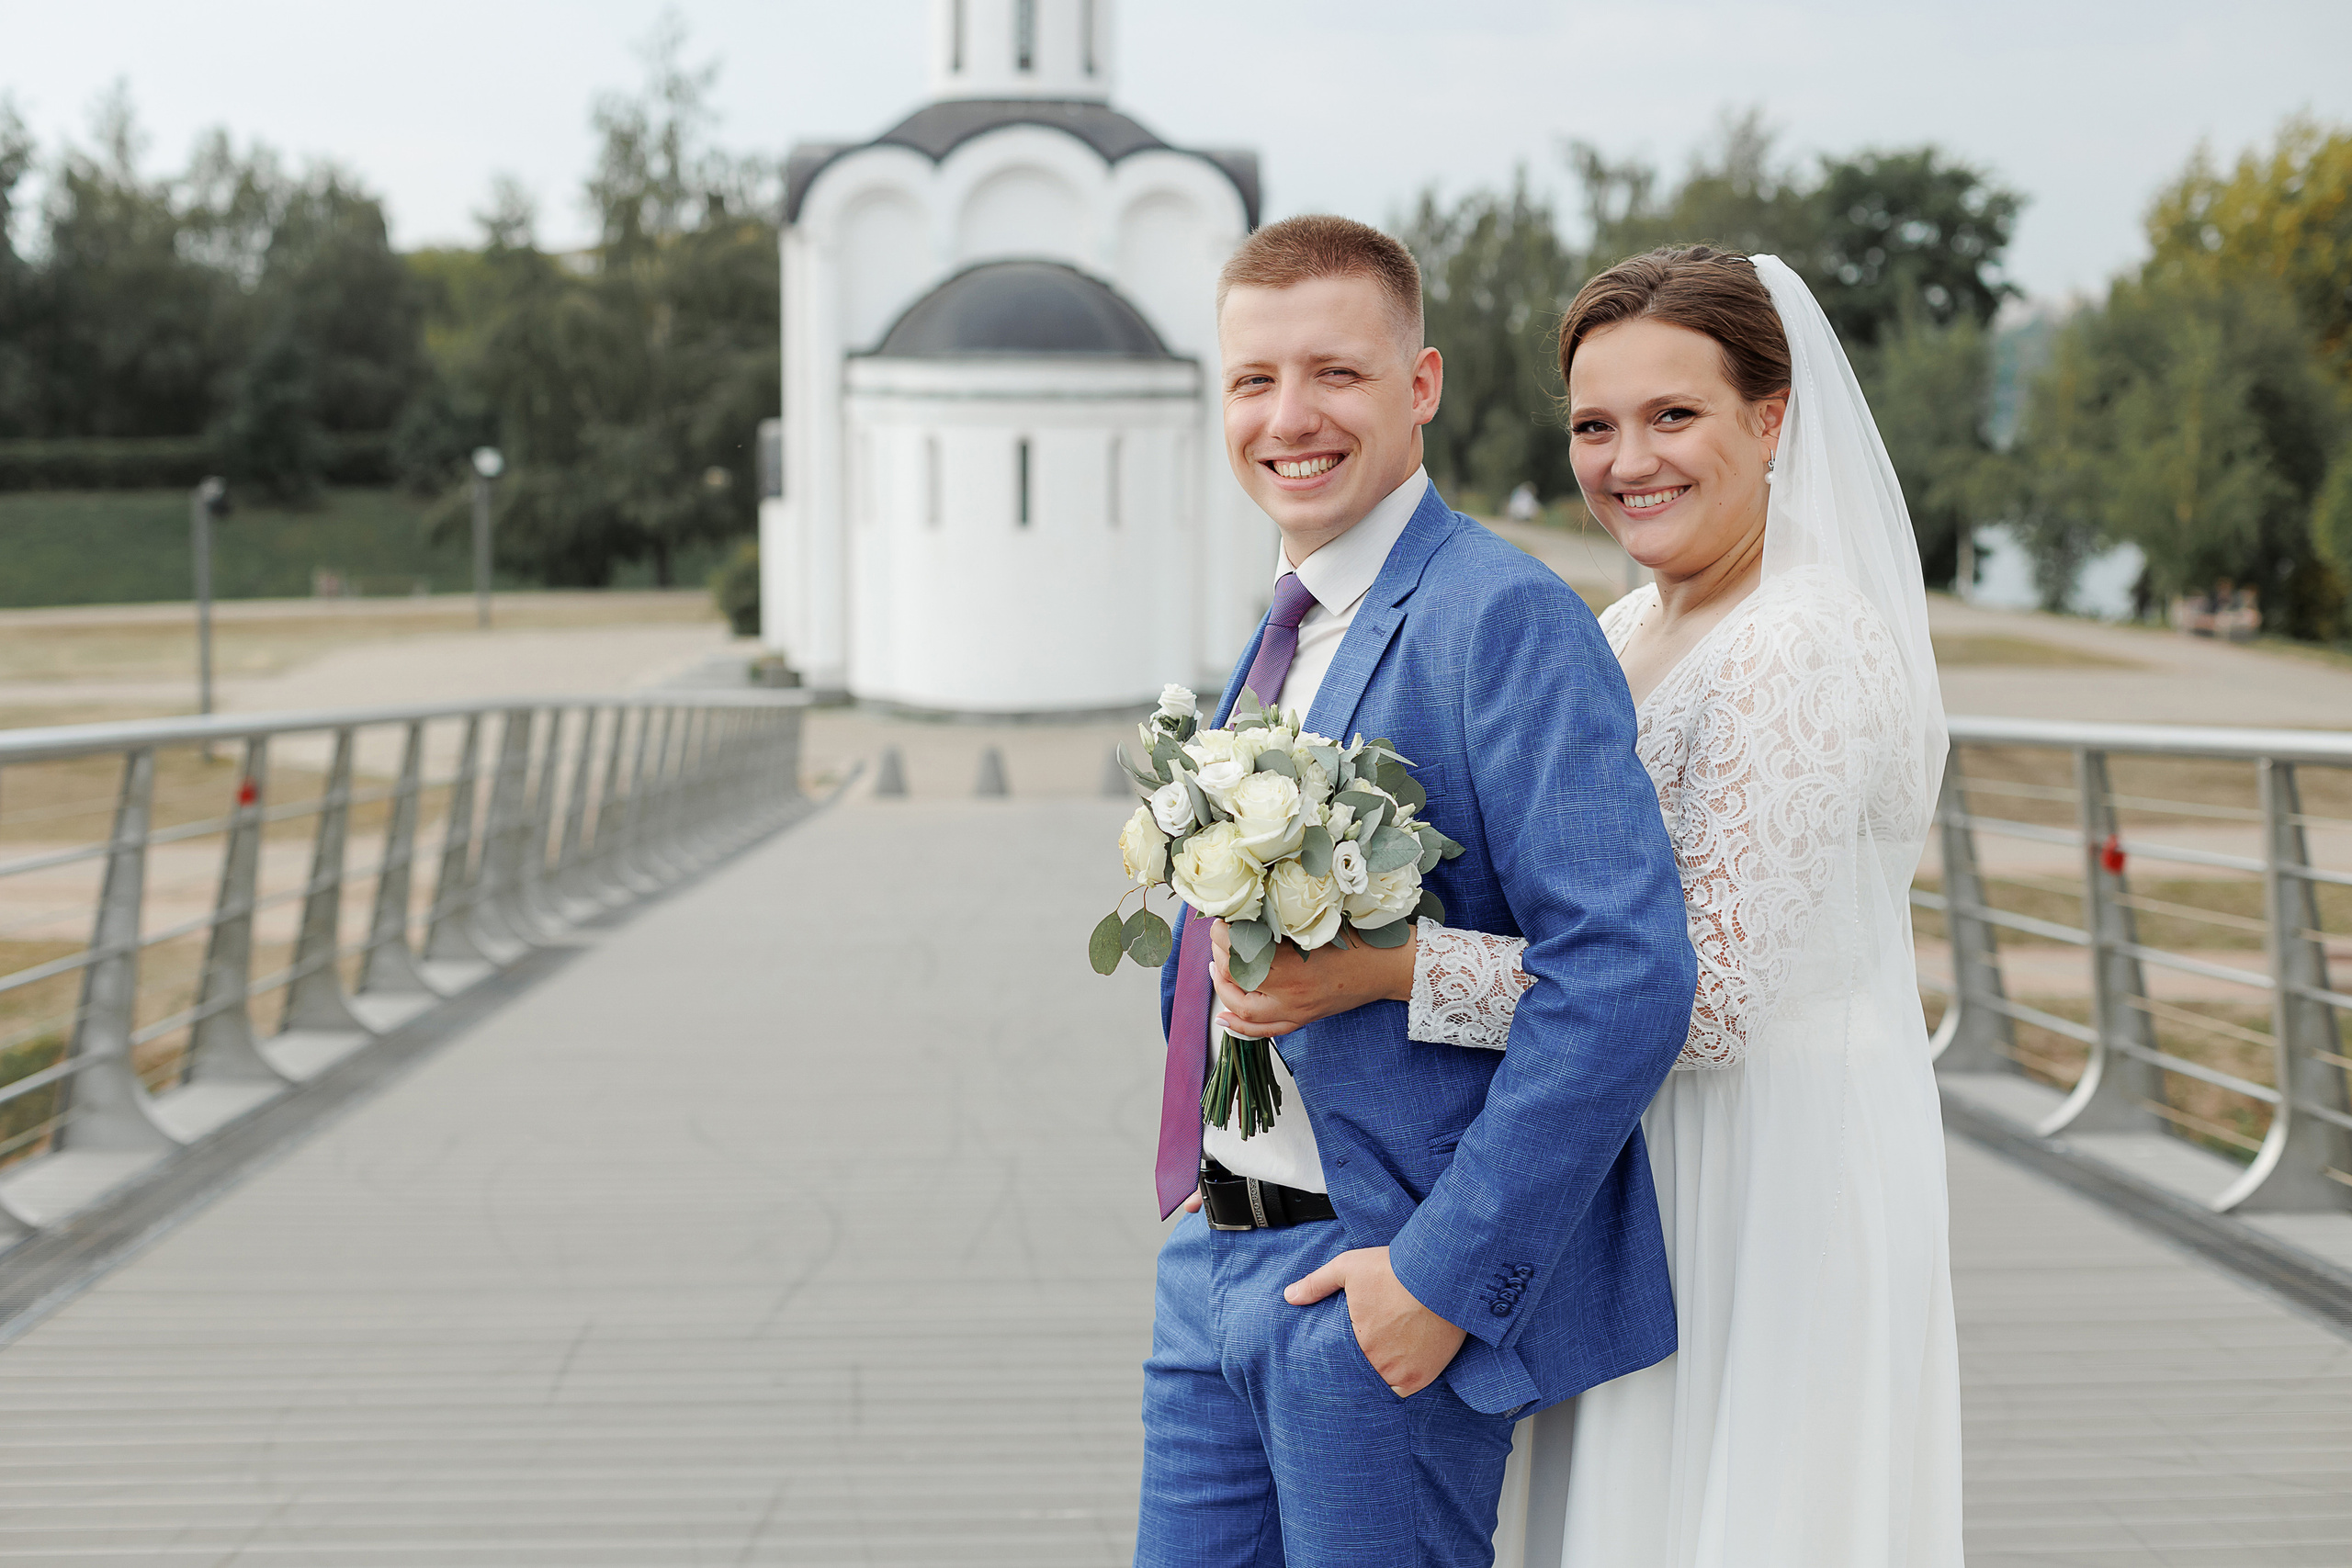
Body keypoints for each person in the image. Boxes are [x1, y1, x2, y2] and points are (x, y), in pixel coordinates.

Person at [1210, 246, 1965, 1566]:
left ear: (1772, 417)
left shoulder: (1807, 641)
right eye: (1595, 427)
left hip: (1763, 1166)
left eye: (1676, 416)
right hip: (1625, 1163)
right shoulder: (1623, 630)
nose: (1631, 462)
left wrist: (1391, 972)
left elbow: (1711, 1002)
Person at [1136, 216, 1697, 1568]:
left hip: (1370, 1285)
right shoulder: (1284, 624)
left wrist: (1437, 1281)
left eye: (1335, 372)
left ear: (1421, 385)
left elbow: (1624, 975)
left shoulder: (1497, 616)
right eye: (1253, 381)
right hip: (1210, 1264)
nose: (1290, 417)